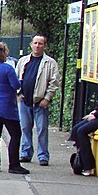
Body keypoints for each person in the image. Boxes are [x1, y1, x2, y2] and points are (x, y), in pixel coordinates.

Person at [0, 41, 29, 175]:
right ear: (3, 53)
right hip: (5, 106)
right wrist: (22, 81)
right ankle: (14, 165)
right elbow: (15, 85)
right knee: (15, 134)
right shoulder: (7, 68)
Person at [15, 35, 60, 166]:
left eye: (40, 43)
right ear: (31, 45)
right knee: (25, 128)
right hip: (25, 101)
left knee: (42, 130)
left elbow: (54, 82)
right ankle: (25, 153)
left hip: (40, 102)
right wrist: (18, 94)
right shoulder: (23, 61)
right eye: (35, 43)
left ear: (44, 46)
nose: (37, 46)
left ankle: (43, 156)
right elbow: (16, 78)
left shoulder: (50, 63)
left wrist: (47, 98)